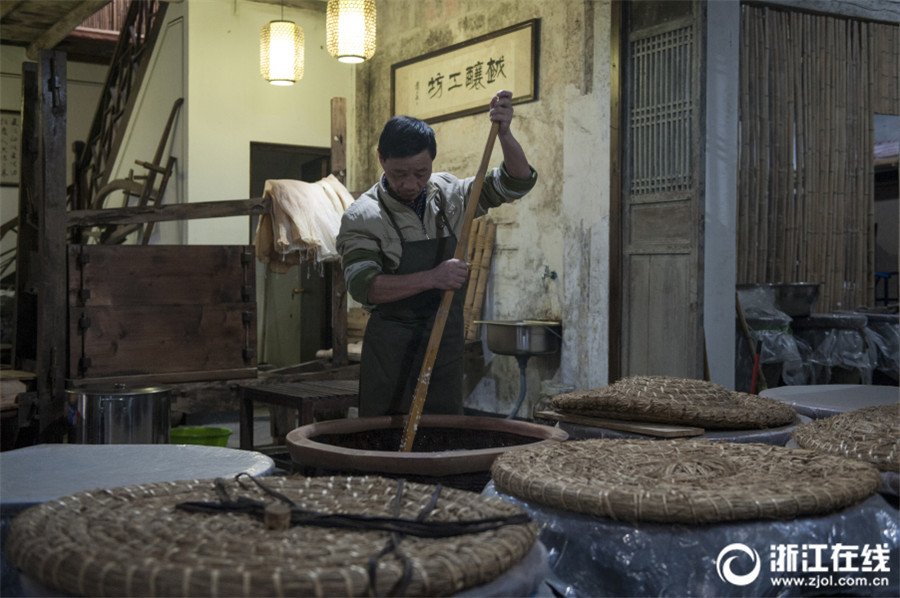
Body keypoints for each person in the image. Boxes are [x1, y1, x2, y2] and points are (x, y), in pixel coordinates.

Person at [337, 90, 537, 417]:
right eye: (399, 174)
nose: (410, 184)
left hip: (446, 341)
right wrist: (433, 278)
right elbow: (364, 286)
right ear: (381, 159)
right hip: (392, 349)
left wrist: (504, 133)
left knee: (443, 430)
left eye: (421, 172)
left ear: (432, 161)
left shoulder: (449, 195)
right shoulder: (363, 216)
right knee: (386, 433)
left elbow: (517, 182)